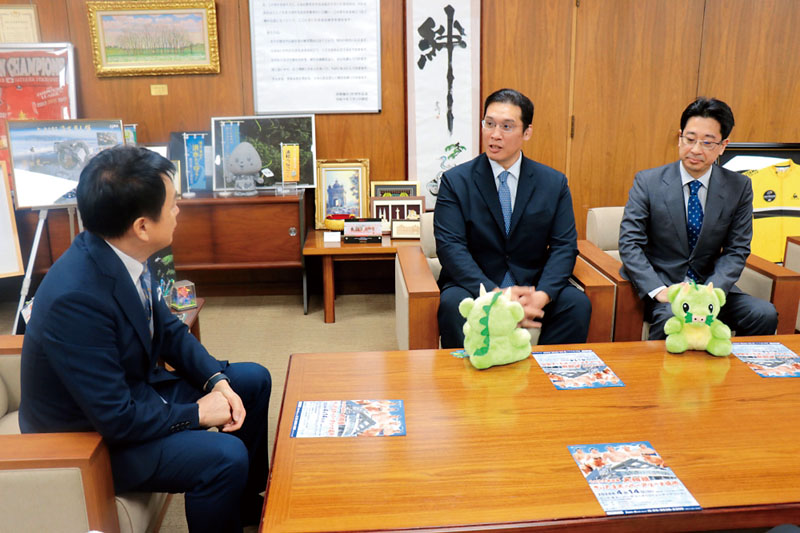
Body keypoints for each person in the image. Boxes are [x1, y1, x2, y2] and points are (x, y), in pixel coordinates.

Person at [19, 145, 271, 533]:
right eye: (172, 204)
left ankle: (245, 508)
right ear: (141, 225)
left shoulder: (120, 250)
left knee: (251, 381)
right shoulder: (76, 299)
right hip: (87, 440)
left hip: (129, 395)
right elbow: (116, 418)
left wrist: (216, 382)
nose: (178, 210)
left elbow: (168, 329)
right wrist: (200, 412)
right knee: (224, 455)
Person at [434, 88, 591, 348]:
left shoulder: (553, 183)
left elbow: (564, 246)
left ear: (527, 132)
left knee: (577, 304)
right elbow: (450, 247)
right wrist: (496, 295)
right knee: (452, 305)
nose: (495, 134)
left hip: (531, 286)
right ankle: (465, 386)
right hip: (476, 286)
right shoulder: (456, 182)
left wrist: (540, 297)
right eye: (490, 124)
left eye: (507, 126)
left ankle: (545, 381)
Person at [619, 97, 778, 340]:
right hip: (666, 288)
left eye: (707, 142)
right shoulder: (648, 182)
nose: (695, 149)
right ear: (679, 137)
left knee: (763, 314)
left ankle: (735, 378)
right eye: (690, 139)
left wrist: (712, 291)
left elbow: (737, 249)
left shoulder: (739, 187)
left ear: (723, 145)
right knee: (669, 320)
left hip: (711, 287)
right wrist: (659, 290)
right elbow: (630, 243)